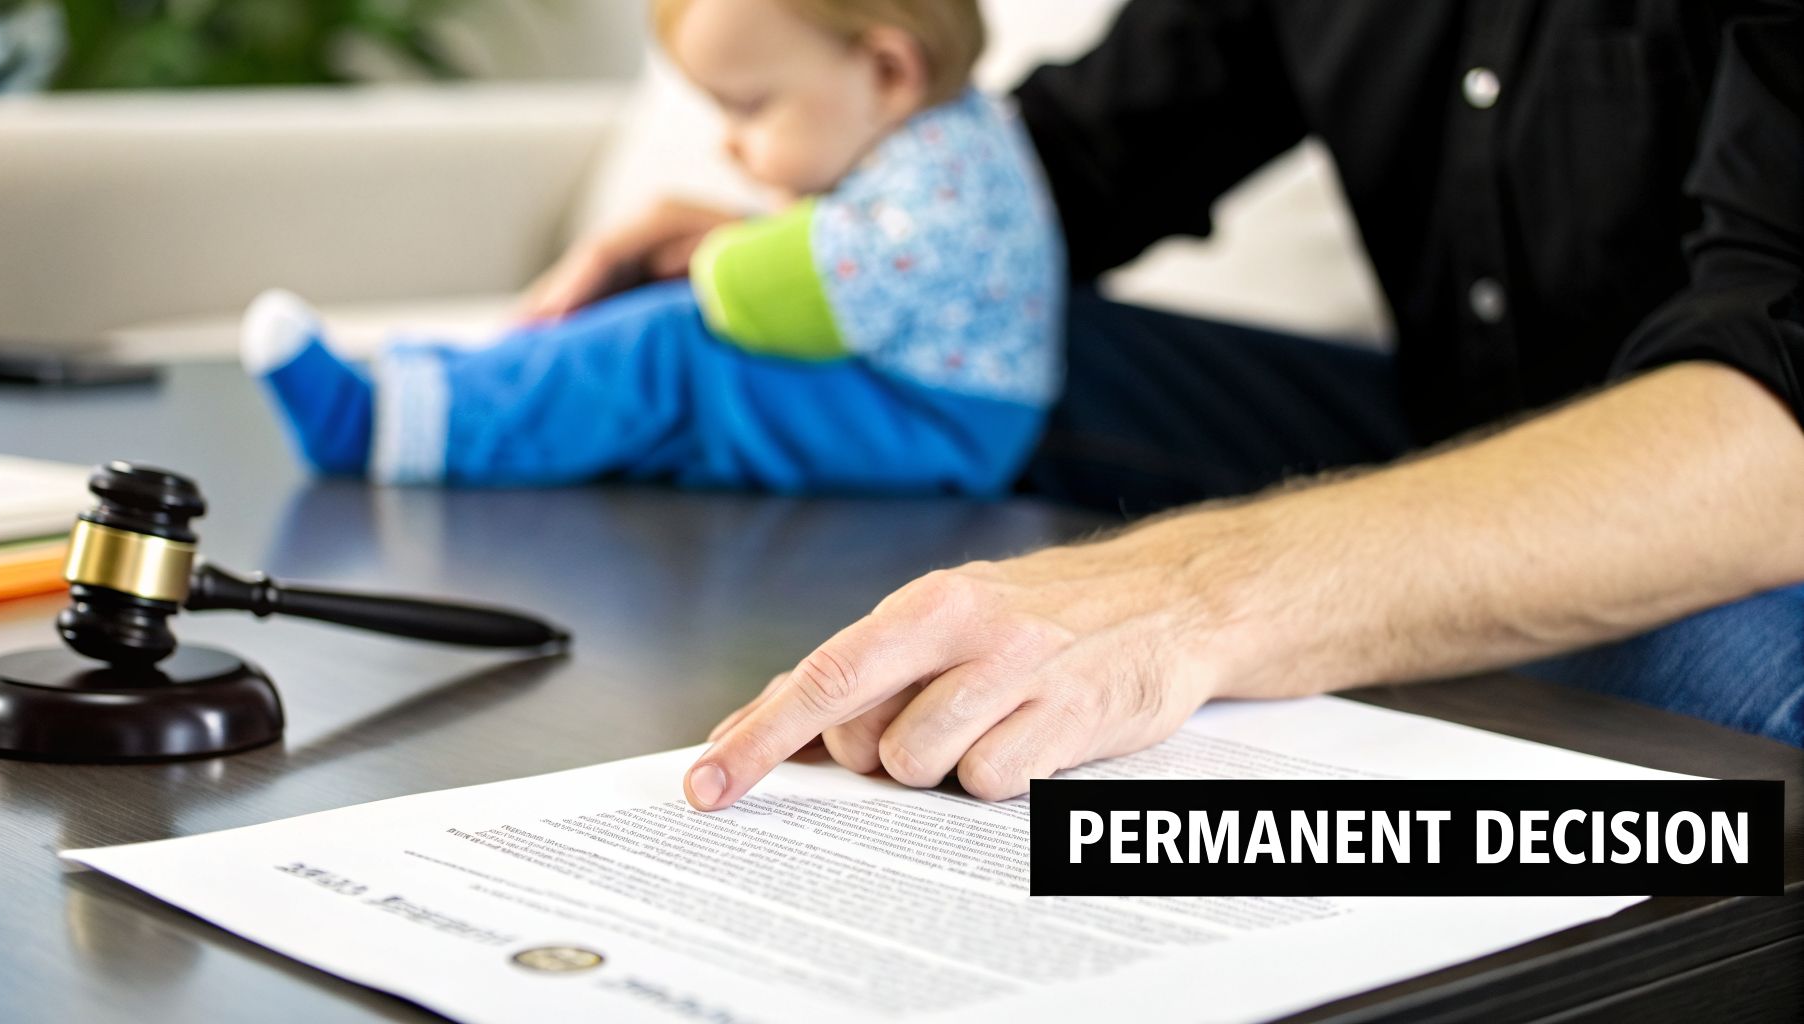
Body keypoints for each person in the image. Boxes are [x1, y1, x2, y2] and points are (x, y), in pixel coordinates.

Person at [556, 0, 1798, 811]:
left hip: (1731, 500)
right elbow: (1072, 167)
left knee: (1689, 667)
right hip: (1442, 425)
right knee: (954, 353)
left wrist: (1196, 595)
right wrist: (825, 257)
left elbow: (1776, 426)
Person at [242, 0, 1062, 495]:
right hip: (924, 410)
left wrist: (712, 255)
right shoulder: (956, 140)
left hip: (938, 429)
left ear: (888, 70)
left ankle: (386, 423)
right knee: (663, 352)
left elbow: (792, 297)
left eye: (749, 108)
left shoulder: (946, 176)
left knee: (672, 349)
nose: (730, 148)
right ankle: (429, 393)